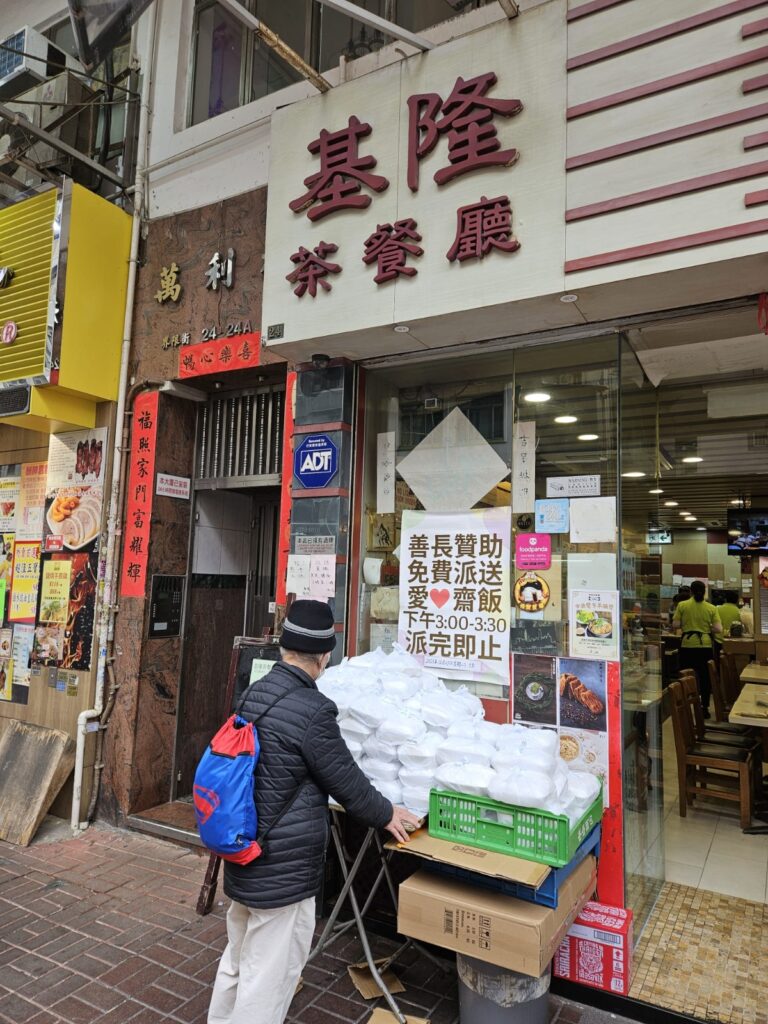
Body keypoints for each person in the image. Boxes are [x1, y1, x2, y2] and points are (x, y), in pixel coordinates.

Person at [207, 599, 419, 1024]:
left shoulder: (256, 691)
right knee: (270, 974)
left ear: (284, 647)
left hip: (245, 846)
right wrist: (386, 813)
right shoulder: (313, 709)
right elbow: (343, 777)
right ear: (325, 655)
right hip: (282, 864)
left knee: (240, 953)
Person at [672, 580, 722, 717]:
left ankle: (685, 707)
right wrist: (706, 628)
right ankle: (704, 707)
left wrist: (687, 624)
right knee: (705, 677)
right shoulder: (711, 608)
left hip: (687, 645)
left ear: (691, 592)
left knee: (686, 676)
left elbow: (675, 624)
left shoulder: (682, 605)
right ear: (704, 591)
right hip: (704, 645)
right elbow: (718, 629)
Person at [714, 590, 743, 656]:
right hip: (733, 641)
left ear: (725, 599)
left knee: (718, 663)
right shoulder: (739, 611)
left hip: (719, 640)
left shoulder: (717, 609)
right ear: (736, 600)